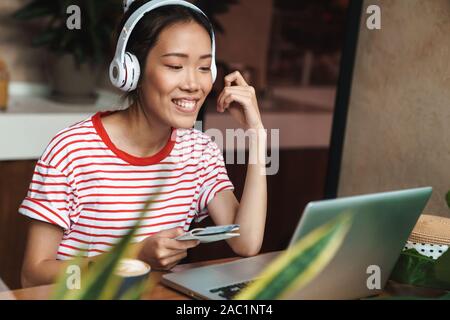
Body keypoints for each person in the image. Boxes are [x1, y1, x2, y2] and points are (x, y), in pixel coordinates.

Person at [19, 0, 267, 288]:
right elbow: (32, 275)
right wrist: (136, 255)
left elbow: (246, 242)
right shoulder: (72, 150)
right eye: (175, 65)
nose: (193, 84)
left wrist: (257, 133)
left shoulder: (199, 151)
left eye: (203, 67)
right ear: (130, 70)